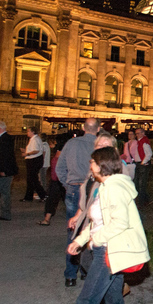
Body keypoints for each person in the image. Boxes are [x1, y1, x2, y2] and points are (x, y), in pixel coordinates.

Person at [46, 146, 149, 304]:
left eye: (92, 162)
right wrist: (81, 240)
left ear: (101, 166)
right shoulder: (105, 187)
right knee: (114, 299)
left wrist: (95, 242)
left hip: (109, 252)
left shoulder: (113, 188)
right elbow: (97, 221)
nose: (89, 166)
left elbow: (119, 223)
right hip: (108, 248)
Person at [56, 118, 100, 287]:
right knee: (92, 230)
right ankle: (85, 270)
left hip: (74, 188)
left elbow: (59, 168)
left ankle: (70, 275)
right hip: (92, 189)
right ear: (98, 129)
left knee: (73, 231)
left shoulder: (71, 143)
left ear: (83, 128)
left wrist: (68, 185)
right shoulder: (100, 146)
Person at [40, 137, 64, 226]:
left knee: (52, 200)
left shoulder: (60, 153)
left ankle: (47, 219)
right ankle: (47, 218)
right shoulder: (63, 153)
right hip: (57, 180)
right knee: (52, 200)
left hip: (58, 180)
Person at [21, 127, 47, 202]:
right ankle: (28, 196)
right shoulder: (35, 139)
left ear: (33, 132)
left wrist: (27, 153)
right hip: (34, 160)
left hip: (34, 160)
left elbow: (36, 150)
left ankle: (43, 195)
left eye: (28, 131)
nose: (27, 133)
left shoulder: (35, 139)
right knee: (30, 179)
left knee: (33, 179)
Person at [133, 128, 153, 207]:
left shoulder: (144, 142)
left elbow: (149, 153)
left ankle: (141, 203)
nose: (137, 135)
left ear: (143, 133)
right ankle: (145, 200)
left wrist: (143, 162)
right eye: (136, 133)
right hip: (140, 163)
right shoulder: (140, 142)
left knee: (141, 185)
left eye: (138, 133)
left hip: (143, 165)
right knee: (138, 184)